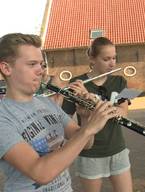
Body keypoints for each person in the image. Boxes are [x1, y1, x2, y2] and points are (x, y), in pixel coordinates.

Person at [0, 33, 117, 192]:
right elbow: (40, 172)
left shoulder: (47, 103)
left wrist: (86, 118)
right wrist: (89, 129)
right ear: (6, 68)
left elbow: (86, 143)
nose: (40, 70)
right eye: (32, 64)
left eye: (41, 64)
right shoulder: (3, 117)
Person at [62, 37, 133, 192]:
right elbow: (65, 120)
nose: (112, 63)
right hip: (89, 153)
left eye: (114, 58)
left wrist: (93, 101)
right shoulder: (77, 83)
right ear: (92, 59)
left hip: (117, 149)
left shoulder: (120, 81)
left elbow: (123, 114)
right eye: (106, 59)